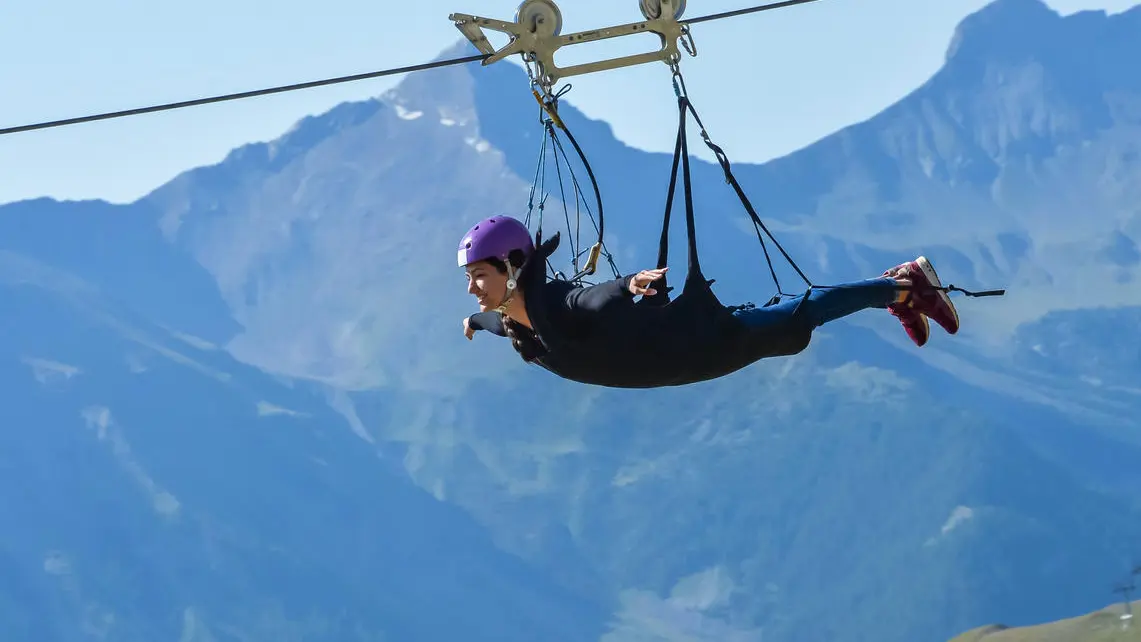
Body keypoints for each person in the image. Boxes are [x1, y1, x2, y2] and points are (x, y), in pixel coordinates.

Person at [458, 215, 959, 388]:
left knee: (799, 313)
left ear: (514, 269)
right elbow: (500, 321)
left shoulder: (554, 302)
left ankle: (902, 285)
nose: (474, 287)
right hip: (688, 353)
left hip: (704, 344)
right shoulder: (517, 324)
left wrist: (628, 284)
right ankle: (897, 290)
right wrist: (476, 321)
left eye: (480, 275)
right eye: (470, 279)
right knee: (784, 314)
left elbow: (588, 300)